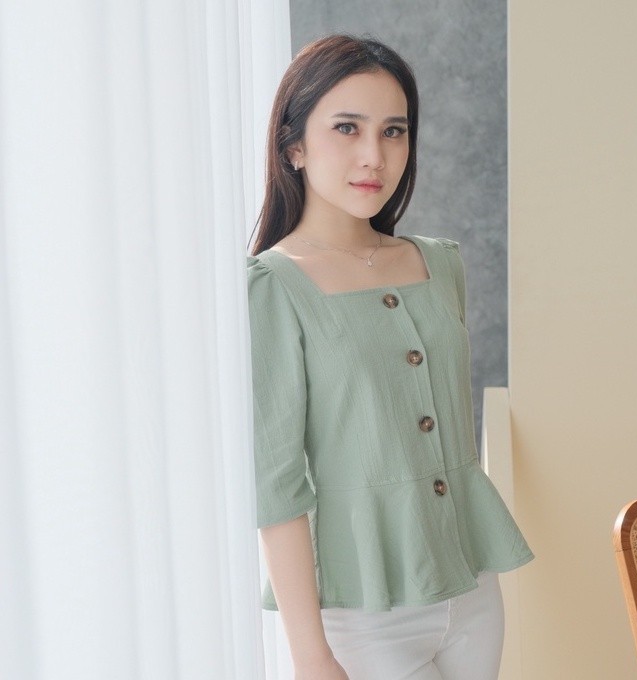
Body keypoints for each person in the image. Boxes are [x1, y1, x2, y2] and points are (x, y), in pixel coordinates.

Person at [247, 34, 533, 680]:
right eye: (347, 128)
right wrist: (311, 655)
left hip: (472, 588)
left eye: (394, 131)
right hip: (363, 614)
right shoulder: (271, 287)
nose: (374, 156)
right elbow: (276, 486)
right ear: (294, 146)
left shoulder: (440, 264)